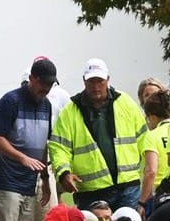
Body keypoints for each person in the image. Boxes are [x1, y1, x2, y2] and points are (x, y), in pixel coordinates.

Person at [48, 58, 145, 211]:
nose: (96, 86)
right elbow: (59, 147)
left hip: (127, 187)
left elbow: (144, 138)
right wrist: (64, 173)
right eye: (91, 81)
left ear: (108, 79)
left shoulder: (125, 102)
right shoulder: (70, 111)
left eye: (99, 81)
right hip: (91, 190)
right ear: (84, 82)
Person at [0, 57, 58, 221]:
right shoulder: (10, 101)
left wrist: (44, 178)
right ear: (32, 78)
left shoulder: (47, 106)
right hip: (7, 180)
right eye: (43, 84)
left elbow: (44, 144)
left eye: (50, 85)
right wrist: (23, 158)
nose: (46, 89)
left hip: (30, 182)